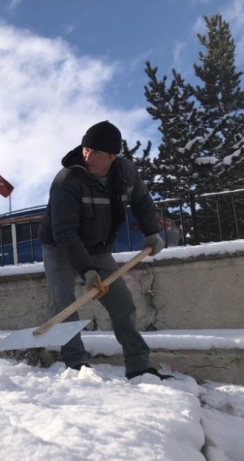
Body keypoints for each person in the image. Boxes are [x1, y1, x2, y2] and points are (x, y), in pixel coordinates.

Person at [38, 121, 169, 380]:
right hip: (59, 246)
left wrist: (151, 233)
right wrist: (87, 270)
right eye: (86, 148)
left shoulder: (126, 174)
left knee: (122, 303)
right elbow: (65, 231)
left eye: (97, 152)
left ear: (113, 156)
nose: (89, 156)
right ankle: (76, 364)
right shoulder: (68, 180)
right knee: (64, 303)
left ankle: (138, 365)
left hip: (98, 247)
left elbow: (142, 200)